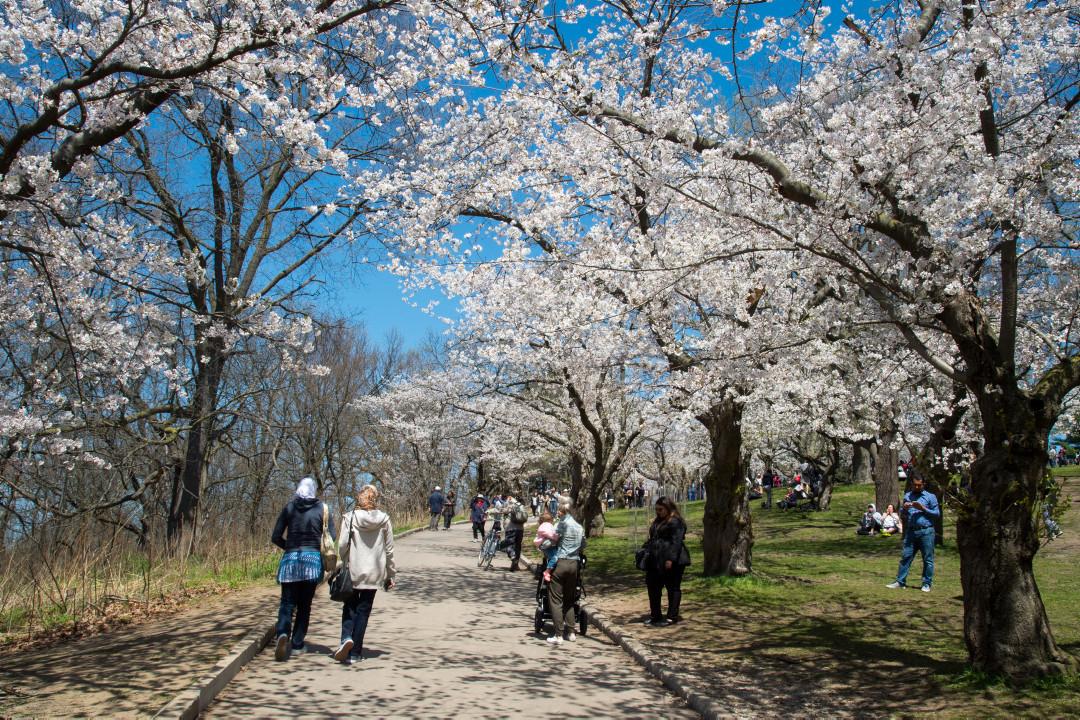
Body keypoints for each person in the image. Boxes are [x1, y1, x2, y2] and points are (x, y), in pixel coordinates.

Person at [271, 476, 331, 661]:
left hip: (290, 560)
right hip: (312, 562)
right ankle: (297, 643)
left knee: (287, 603)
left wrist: (288, 547)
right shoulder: (322, 508)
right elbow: (331, 536)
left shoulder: (289, 508)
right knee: (305, 605)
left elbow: (275, 536)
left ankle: (282, 633)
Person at [334, 484, 396, 665]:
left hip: (354, 569)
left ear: (359, 499)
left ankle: (346, 637)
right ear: (374, 499)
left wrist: (344, 561)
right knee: (364, 611)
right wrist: (390, 574)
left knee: (350, 606)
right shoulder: (384, 519)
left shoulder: (350, 517)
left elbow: (343, 545)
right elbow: (390, 549)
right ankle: (355, 652)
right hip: (374, 572)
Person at [642, 496, 691, 627]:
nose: (658, 512)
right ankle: (655, 615)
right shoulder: (657, 521)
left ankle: (671, 617)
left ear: (668, 508)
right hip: (655, 559)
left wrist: (671, 559)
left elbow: (676, 542)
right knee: (653, 587)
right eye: (656, 509)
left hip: (672, 560)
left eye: (660, 509)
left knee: (672, 587)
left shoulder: (676, 522)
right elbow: (653, 538)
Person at [886, 476, 940, 592]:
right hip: (911, 532)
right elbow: (903, 515)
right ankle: (900, 581)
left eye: (919, 485)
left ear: (923, 484)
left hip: (926, 531)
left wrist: (923, 508)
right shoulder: (908, 496)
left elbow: (936, 514)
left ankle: (926, 583)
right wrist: (904, 509)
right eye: (915, 485)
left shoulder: (930, 497)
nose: (917, 487)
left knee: (928, 559)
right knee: (906, 557)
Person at [544, 501, 584, 646]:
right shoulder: (579, 527)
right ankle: (572, 632)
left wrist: (542, 545)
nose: (557, 515)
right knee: (569, 599)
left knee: (555, 600)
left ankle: (559, 634)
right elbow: (583, 544)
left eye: (559, 512)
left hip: (560, 562)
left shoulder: (561, 525)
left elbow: (552, 541)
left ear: (564, 512)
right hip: (574, 564)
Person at [499, 496, 528, 571]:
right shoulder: (522, 506)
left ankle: (513, 557)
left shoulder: (511, 505)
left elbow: (503, 511)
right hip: (520, 529)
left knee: (509, 545)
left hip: (511, 528)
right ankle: (515, 565)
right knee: (517, 547)